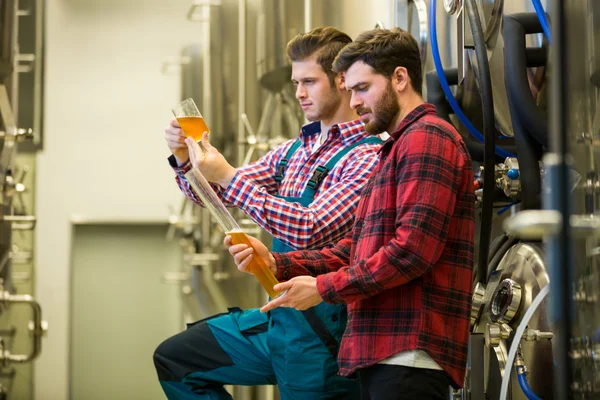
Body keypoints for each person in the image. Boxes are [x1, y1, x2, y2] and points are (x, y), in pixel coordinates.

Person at [227, 28, 475, 400]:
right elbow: (357, 250)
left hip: (409, 354)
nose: (354, 101)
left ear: (400, 78)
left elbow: (410, 252)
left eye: (361, 88)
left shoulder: (427, 138)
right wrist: (279, 263)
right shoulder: (396, 148)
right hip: (384, 353)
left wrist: (323, 288)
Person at [154, 26, 382, 399]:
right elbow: (213, 194)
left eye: (309, 81)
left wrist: (226, 174)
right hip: (279, 320)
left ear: (343, 81)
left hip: (326, 333)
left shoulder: (367, 155)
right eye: (296, 82)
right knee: (177, 360)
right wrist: (186, 159)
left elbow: (311, 227)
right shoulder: (294, 151)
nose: (298, 93)